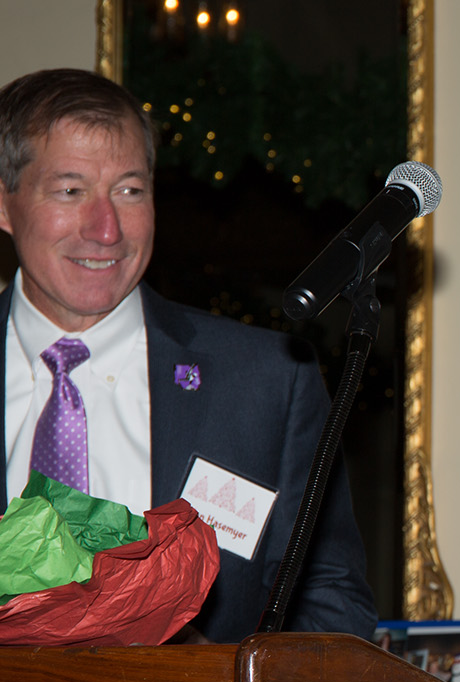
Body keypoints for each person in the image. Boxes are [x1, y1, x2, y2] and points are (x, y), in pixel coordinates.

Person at [0, 68, 377, 642]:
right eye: (70, 190)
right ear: (5, 206)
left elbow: (329, 603)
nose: (106, 230)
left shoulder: (264, 382)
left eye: (130, 190)